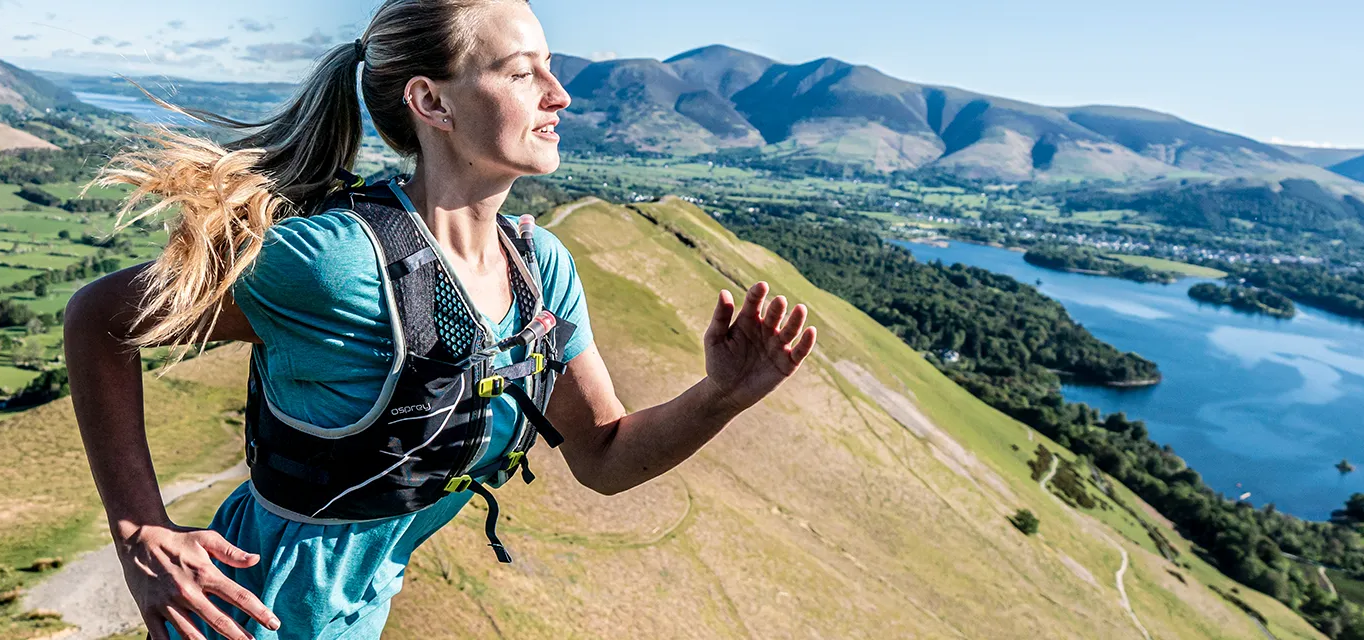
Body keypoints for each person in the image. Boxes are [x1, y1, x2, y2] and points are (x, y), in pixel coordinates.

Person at [60, 0, 818, 638]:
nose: (560, 94)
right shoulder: (335, 266)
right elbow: (100, 317)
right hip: (243, 616)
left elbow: (605, 457)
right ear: (431, 102)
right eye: (523, 73)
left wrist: (722, 395)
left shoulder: (538, 269)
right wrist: (138, 532)